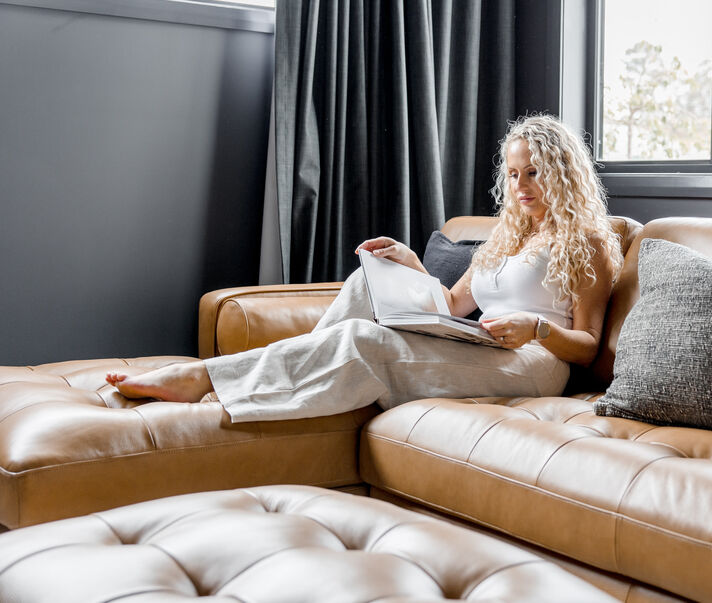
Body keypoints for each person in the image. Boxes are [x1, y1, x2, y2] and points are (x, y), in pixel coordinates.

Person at [106, 114, 624, 421]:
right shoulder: (502, 234)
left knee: (363, 341)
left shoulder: (588, 243)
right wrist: (412, 264)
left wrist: (536, 328)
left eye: (533, 172)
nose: (520, 186)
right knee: (364, 284)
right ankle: (232, 381)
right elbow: (450, 305)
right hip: (483, 344)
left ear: (560, 173)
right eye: (512, 174)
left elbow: (588, 344)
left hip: (536, 364)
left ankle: (205, 380)